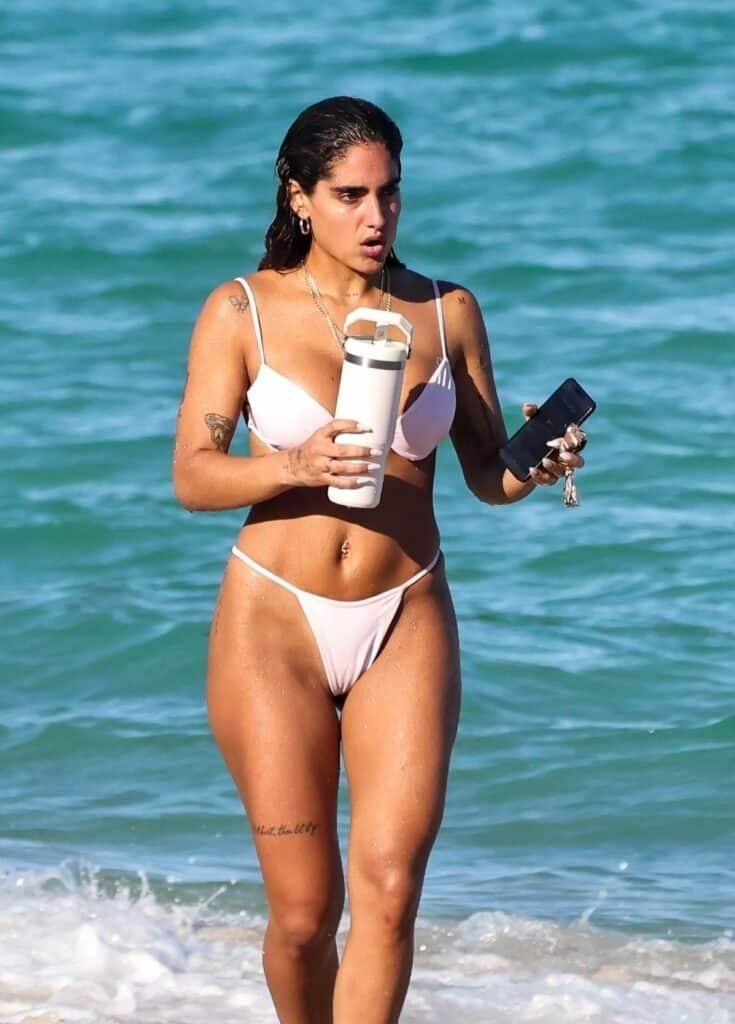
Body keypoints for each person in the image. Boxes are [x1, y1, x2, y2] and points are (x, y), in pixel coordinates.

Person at [173, 96, 585, 1024]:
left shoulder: (446, 310)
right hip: (274, 623)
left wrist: (539, 461)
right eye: (350, 195)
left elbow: (486, 475)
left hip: (405, 613)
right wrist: (292, 465)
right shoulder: (242, 310)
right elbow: (193, 476)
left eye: (389, 193)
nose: (376, 216)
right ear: (299, 197)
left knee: (391, 896)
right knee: (304, 915)